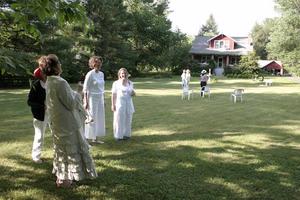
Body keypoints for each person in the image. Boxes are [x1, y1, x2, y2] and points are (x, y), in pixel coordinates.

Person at [44, 54, 97, 188]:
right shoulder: (60, 82)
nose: (60, 65)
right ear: (55, 67)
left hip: (57, 121)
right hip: (67, 123)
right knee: (69, 150)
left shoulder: (50, 80)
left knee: (61, 149)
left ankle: (62, 178)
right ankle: (65, 180)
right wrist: (79, 91)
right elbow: (71, 104)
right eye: (59, 63)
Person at [27, 56, 48, 163]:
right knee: (39, 136)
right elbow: (29, 101)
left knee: (57, 134)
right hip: (40, 114)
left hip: (54, 113)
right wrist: (41, 106)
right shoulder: (36, 85)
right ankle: (36, 156)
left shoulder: (53, 83)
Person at [83, 56, 106, 144]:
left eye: (100, 62)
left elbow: (102, 88)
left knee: (99, 118)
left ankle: (95, 138)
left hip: (100, 98)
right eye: (96, 62)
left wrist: (104, 100)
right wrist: (85, 102)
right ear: (93, 64)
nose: (99, 64)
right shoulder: (90, 74)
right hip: (91, 98)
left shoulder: (101, 74)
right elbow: (85, 89)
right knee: (91, 117)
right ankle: (87, 139)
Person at [111, 68, 135, 141]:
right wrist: (113, 104)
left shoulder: (130, 83)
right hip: (119, 104)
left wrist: (133, 93)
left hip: (129, 103)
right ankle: (118, 136)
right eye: (122, 73)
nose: (123, 74)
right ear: (119, 75)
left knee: (128, 119)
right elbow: (113, 94)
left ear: (127, 74)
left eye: (125, 73)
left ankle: (127, 135)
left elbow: (133, 94)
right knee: (119, 120)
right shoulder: (116, 83)